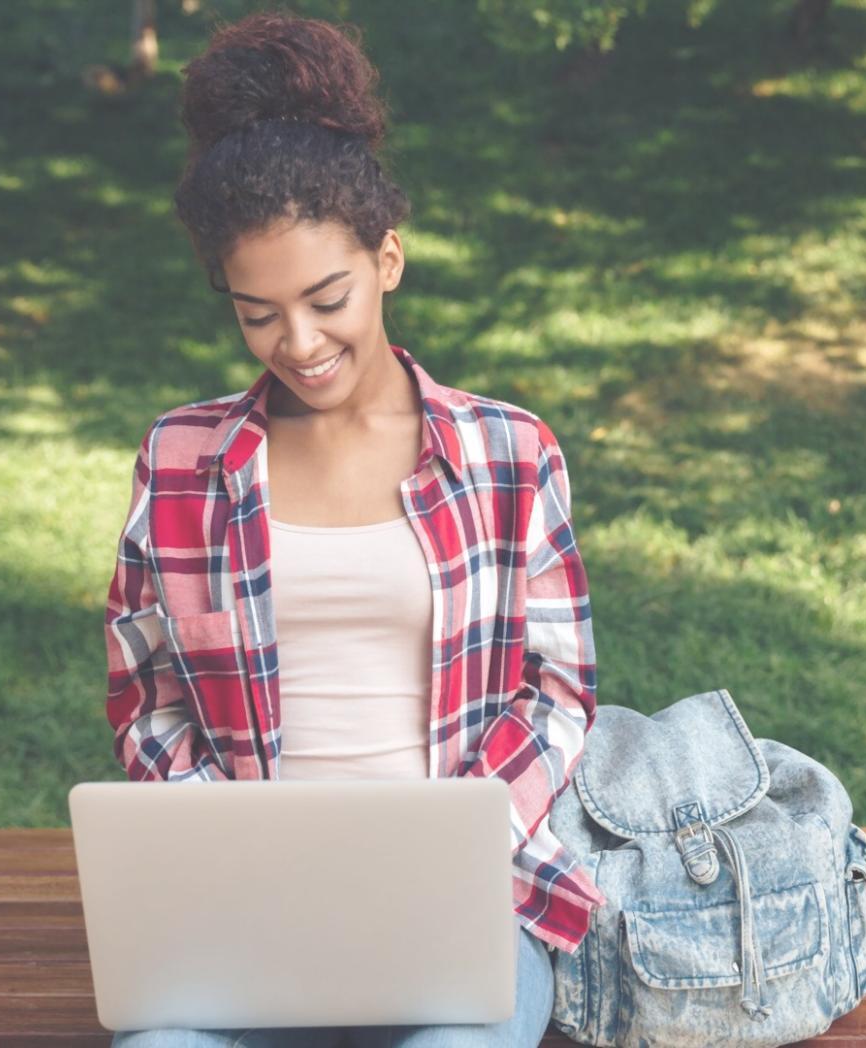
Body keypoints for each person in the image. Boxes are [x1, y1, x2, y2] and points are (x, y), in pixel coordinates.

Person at [102, 10, 605, 1047]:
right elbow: (145, 696)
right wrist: (234, 845)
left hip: (464, 899)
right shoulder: (181, 461)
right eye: (257, 313)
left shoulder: (508, 452)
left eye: (326, 297)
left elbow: (556, 693)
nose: (298, 342)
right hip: (244, 903)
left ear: (388, 258)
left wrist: (454, 845)